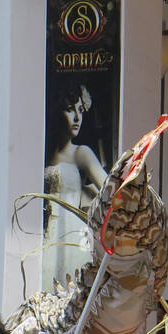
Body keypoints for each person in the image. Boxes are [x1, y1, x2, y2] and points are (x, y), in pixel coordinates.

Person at [42, 83, 107, 289]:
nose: (78, 118)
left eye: (80, 110)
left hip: (71, 232)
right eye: (70, 110)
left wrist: (89, 196)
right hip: (45, 234)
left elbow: (112, 191)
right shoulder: (42, 152)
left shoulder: (82, 153)